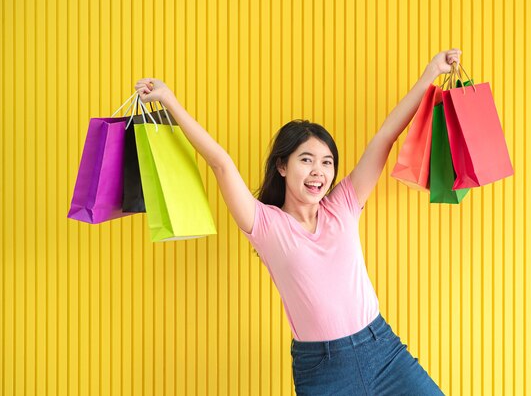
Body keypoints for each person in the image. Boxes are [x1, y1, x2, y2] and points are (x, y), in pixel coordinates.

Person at [135, 48, 460, 395]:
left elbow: (385, 137)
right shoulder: (265, 224)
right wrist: (169, 100)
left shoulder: (344, 205)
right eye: (306, 160)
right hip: (323, 369)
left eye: (327, 162)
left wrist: (430, 74)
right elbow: (220, 163)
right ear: (282, 166)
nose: (318, 171)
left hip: (383, 350)